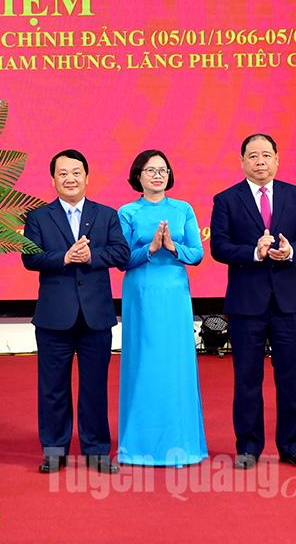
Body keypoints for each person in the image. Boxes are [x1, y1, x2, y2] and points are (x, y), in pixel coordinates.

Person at [210, 133, 296, 471]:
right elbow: (218, 247)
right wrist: (253, 253)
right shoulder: (226, 199)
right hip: (246, 304)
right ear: (242, 161)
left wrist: (291, 251)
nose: (260, 161)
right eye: (253, 155)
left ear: (277, 159)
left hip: (289, 302)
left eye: (266, 155)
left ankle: (292, 446)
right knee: (247, 379)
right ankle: (248, 447)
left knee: (291, 379)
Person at [23, 149, 129, 474]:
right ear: (53, 180)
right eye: (63, 174)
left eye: (76, 173)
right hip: (54, 317)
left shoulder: (106, 215)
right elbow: (30, 258)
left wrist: (91, 257)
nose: (70, 179)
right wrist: (65, 258)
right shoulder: (38, 217)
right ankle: (54, 451)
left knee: (94, 387)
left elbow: (121, 253)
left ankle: (97, 451)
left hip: (96, 317)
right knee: (53, 388)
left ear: (87, 177)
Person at [116, 150, 207, 466]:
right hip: (141, 293)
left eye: (163, 170)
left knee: (176, 365)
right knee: (143, 363)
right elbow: (122, 259)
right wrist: (151, 248)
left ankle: (182, 444)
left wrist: (172, 247)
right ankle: (138, 445)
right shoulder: (127, 212)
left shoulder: (183, 209)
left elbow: (197, 254)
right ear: (137, 176)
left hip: (174, 294)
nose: (158, 175)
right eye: (151, 170)